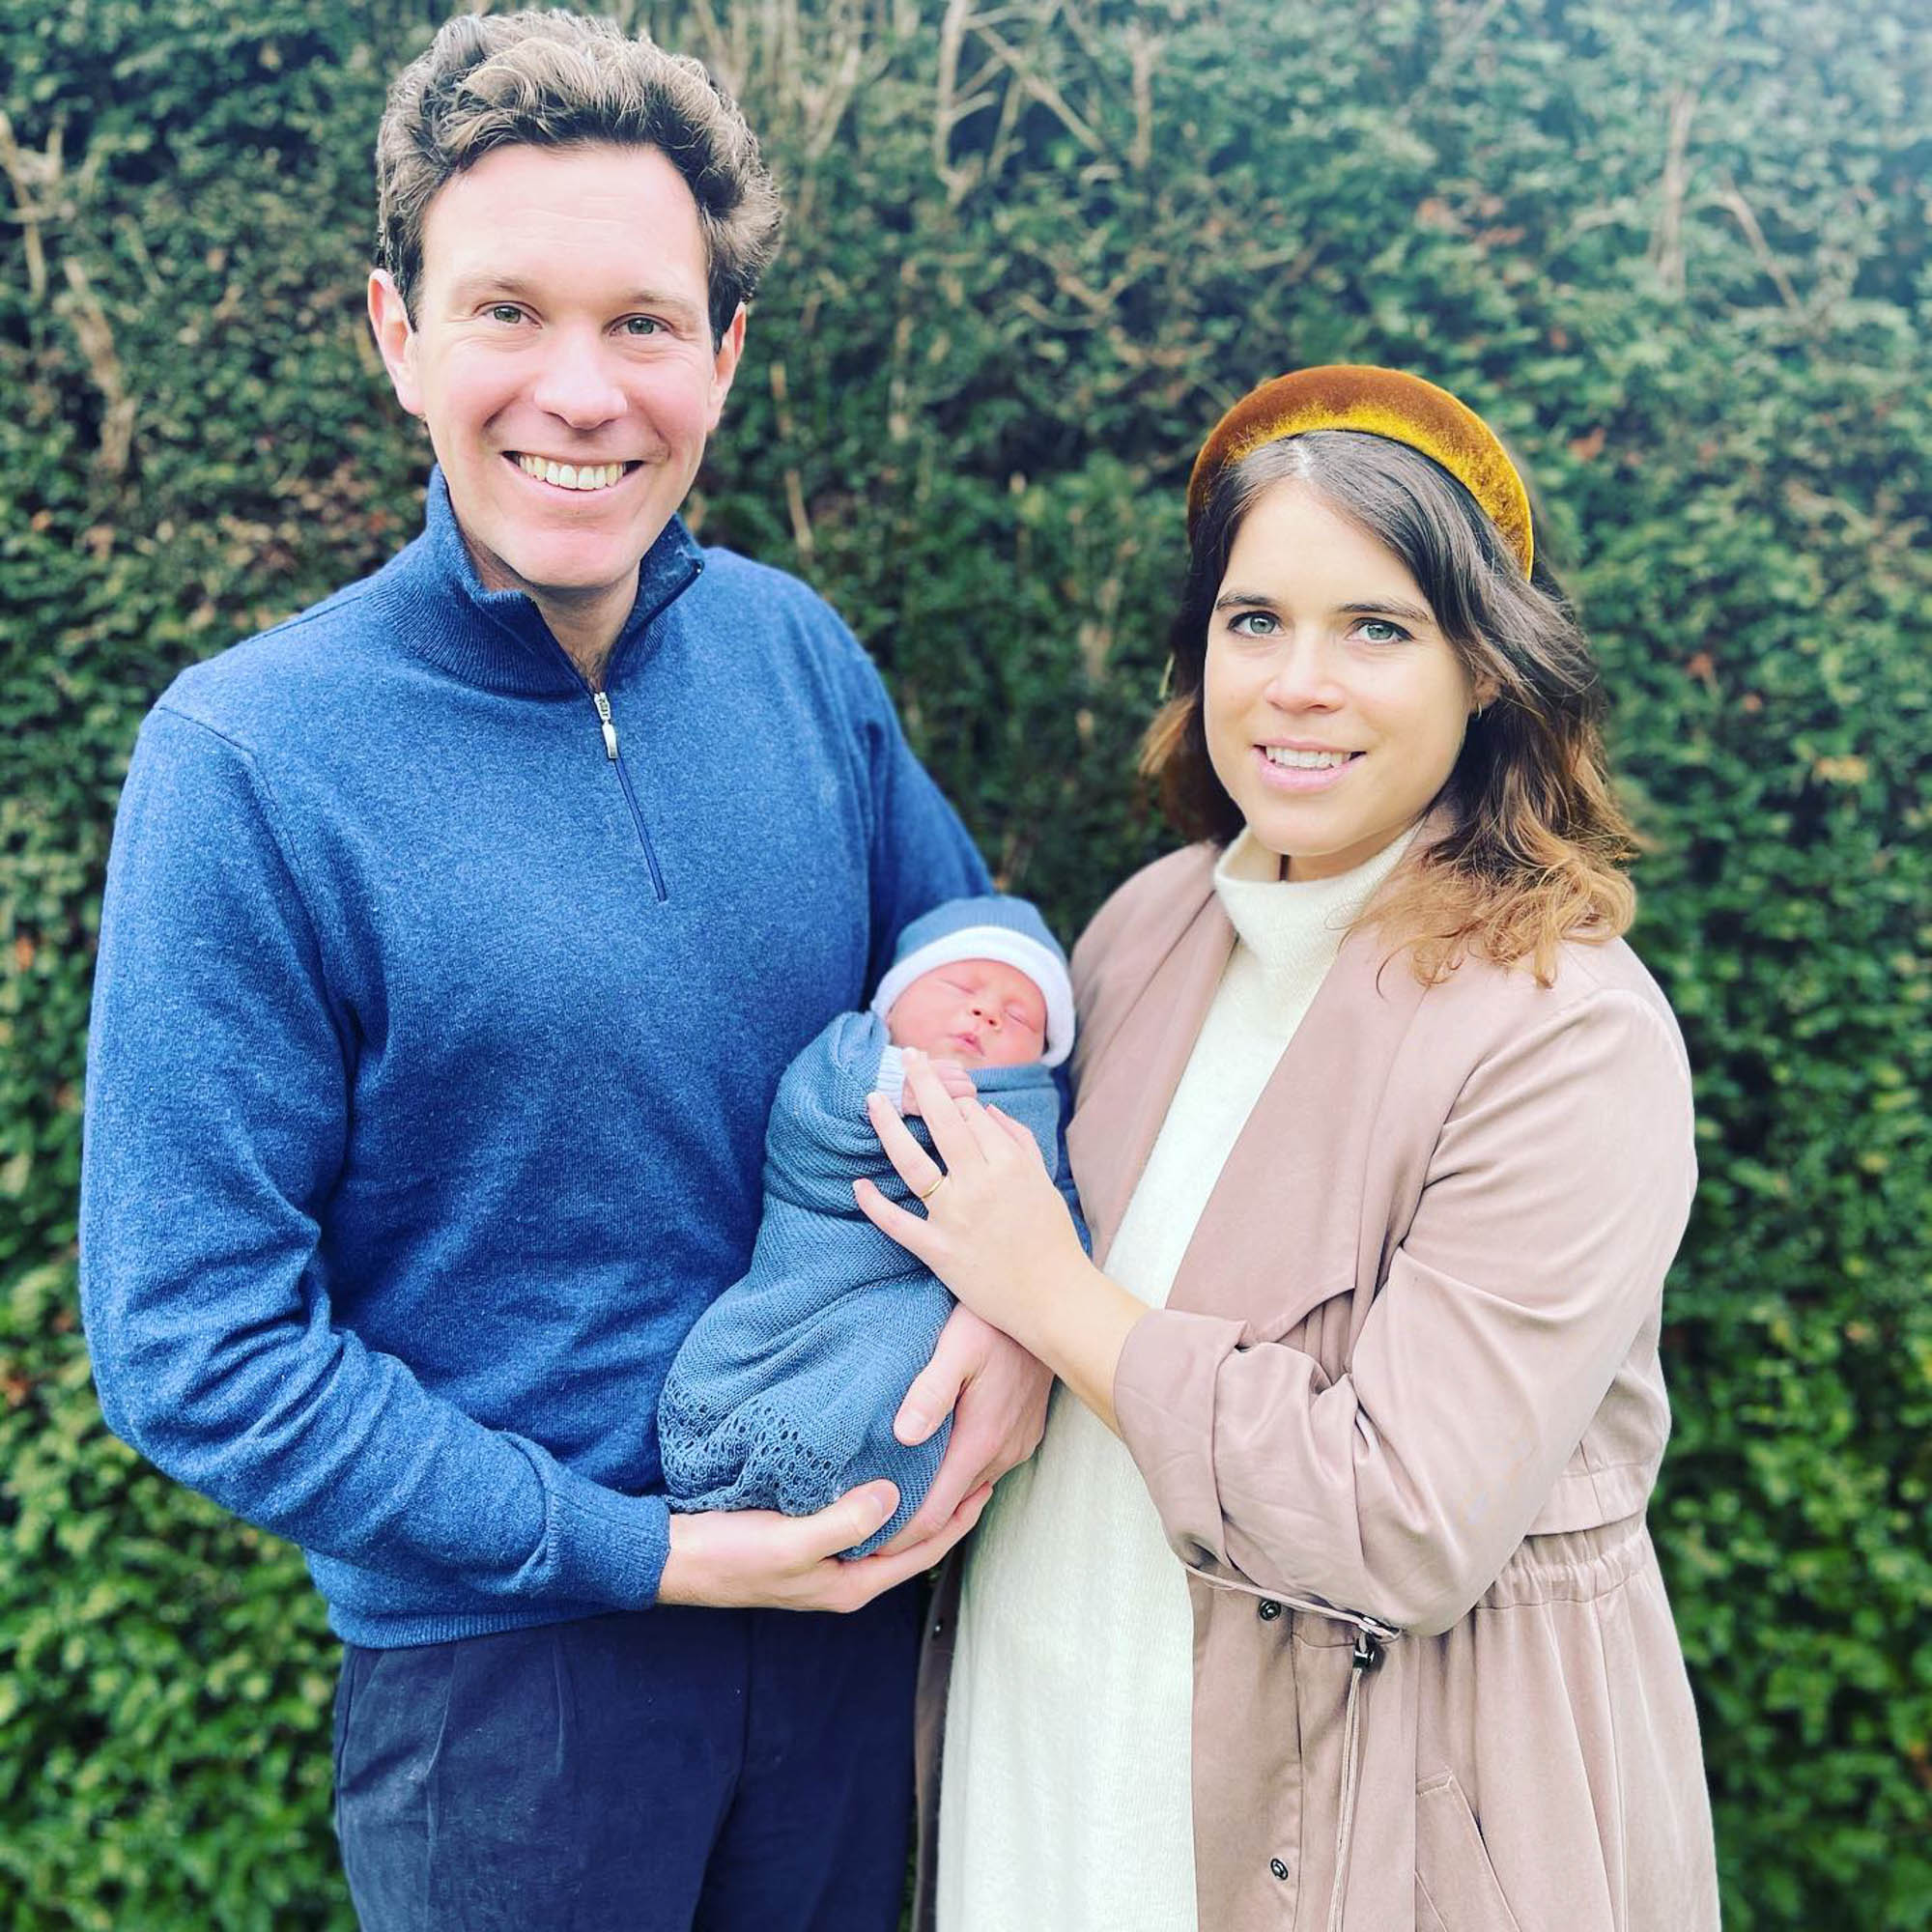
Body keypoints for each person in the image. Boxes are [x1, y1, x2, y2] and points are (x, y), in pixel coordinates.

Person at [77, 13, 1053, 1931]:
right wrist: (645, 1551)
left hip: (864, 1641)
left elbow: (990, 999)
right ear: (398, 336)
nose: (579, 392)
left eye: (644, 323)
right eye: (506, 310)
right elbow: (191, 1346)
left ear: (725, 358)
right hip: (510, 1707)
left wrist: (1026, 1318)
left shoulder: (796, 661)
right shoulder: (253, 759)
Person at [858, 366, 1722, 1931]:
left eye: (1375, 629)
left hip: (1358, 1843)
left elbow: (1399, 1519)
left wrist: (1050, 1291)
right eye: (1254, 622)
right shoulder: (1146, 926)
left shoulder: (1566, 1033)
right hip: (1041, 1769)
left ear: (1486, 670)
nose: (1296, 684)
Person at [661, 894, 1075, 1555]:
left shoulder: (1033, 1108)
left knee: (900, 1357)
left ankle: (864, 1489)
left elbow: (1054, 1214)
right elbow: (804, 1119)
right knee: (820, 1343)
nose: (986, 1011)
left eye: (1020, 1013)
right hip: (829, 1256)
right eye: (960, 986)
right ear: (894, 1000)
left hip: (925, 1296)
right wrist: (892, 1088)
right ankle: (759, 1446)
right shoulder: (854, 1049)